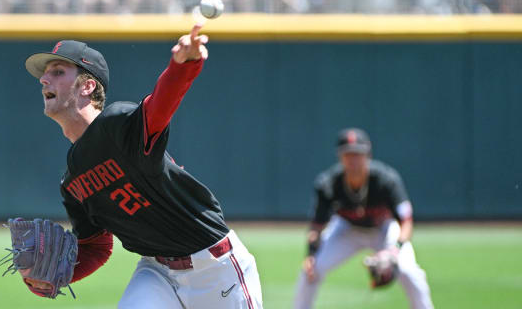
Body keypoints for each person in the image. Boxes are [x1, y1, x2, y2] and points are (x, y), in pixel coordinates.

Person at [21, 25, 264, 309]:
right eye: (45, 74)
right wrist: (54, 277)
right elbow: (96, 247)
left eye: (58, 72)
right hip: (157, 274)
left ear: (87, 86)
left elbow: (160, 106)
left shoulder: (117, 125)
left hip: (215, 267)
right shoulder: (72, 180)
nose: (44, 80)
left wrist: (183, 65)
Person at [293, 128, 434, 309]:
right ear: (340, 157)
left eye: (358, 154)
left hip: (384, 229)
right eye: (348, 155)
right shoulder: (328, 184)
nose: (353, 160)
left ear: (368, 155)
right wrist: (311, 254)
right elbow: (317, 226)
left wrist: (394, 250)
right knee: (311, 272)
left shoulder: (386, 180)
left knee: (409, 271)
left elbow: (406, 222)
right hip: (347, 229)